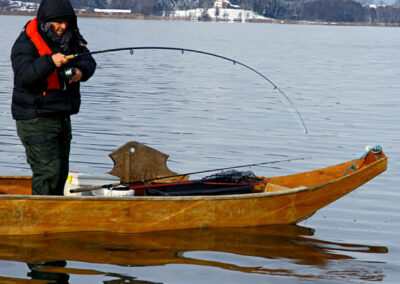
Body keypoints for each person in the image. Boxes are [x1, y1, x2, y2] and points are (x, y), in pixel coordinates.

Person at [11, 0, 96, 195]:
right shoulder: (26, 43)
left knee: (60, 172)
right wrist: (50, 61)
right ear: (46, 21)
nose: (63, 26)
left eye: (66, 21)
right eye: (58, 22)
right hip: (34, 117)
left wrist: (81, 72)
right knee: (48, 172)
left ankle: (53, 217)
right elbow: (24, 76)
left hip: (61, 116)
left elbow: (89, 61)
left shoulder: (71, 38)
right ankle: (40, 220)